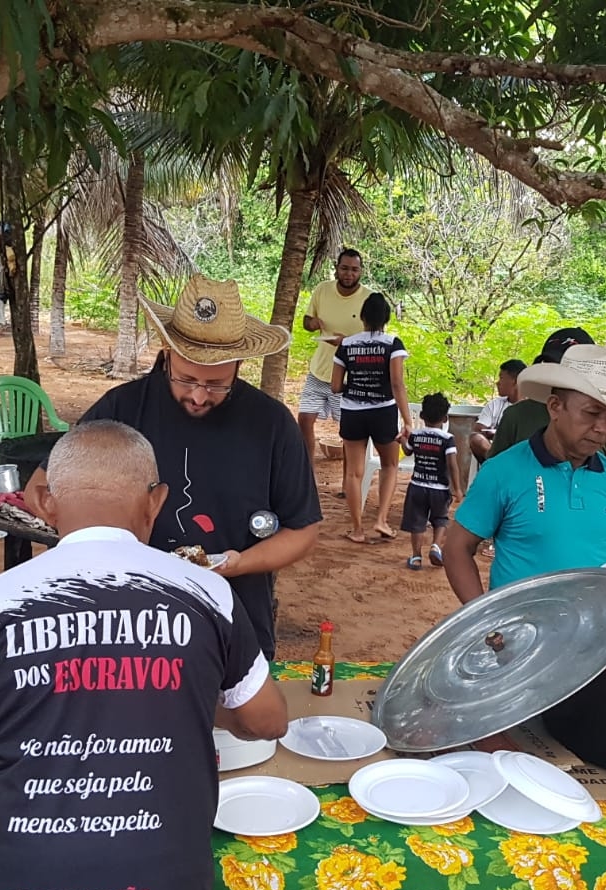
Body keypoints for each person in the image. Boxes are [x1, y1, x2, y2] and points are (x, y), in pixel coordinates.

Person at [0, 421, 288, 890]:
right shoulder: (208, 594)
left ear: (45, 500)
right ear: (156, 501)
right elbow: (267, 722)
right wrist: (188, 695)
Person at [75, 275, 321, 660]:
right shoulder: (121, 408)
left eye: (218, 383)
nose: (199, 395)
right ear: (167, 352)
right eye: (186, 379)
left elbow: (302, 529)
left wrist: (239, 565)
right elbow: (49, 488)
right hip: (126, 622)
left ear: (240, 363)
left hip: (234, 624)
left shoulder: (271, 424)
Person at [444, 345, 606, 603]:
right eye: (592, 413)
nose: (602, 428)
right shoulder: (503, 471)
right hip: (521, 634)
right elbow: (456, 549)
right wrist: (484, 619)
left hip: (599, 633)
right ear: (555, 407)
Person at [488, 328, 606, 493]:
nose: (601, 427)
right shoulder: (517, 416)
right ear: (554, 406)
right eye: (551, 364)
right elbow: (493, 480)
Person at [332, 292, 412, 542]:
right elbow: (397, 383)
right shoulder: (393, 343)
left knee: (354, 473)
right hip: (383, 412)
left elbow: (335, 386)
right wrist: (407, 420)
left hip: (353, 412)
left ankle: (357, 530)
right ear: (386, 318)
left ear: (363, 317)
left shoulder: (346, 345)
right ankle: (381, 521)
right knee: (390, 465)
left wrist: (355, 388)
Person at [298, 249, 371, 458]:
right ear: (336, 269)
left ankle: (349, 485)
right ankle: (308, 473)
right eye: (345, 268)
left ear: (361, 272)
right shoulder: (322, 290)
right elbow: (306, 321)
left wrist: (345, 343)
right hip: (319, 371)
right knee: (304, 420)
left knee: (349, 432)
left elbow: (375, 338)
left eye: (354, 270)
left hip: (350, 377)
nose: (349, 274)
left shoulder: (369, 298)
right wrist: (311, 324)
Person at [401, 393, 463, 571]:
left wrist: (403, 440)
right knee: (440, 518)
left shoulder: (416, 436)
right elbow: (452, 464)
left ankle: (416, 556)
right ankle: (436, 545)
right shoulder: (447, 439)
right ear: (445, 418)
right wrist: (457, 489)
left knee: (417, 522)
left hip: (417, 486)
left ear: (421, 416)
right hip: (439, 488)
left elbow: (407, 451)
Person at [469, 359, 526, 462]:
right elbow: (478, 430)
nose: (497, 383)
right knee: (475, 438)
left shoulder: (531, 406)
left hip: (521, 454)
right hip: (495, 450)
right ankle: (497, 462)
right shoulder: (495, 404)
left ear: (515, 381)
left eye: (502, 378)